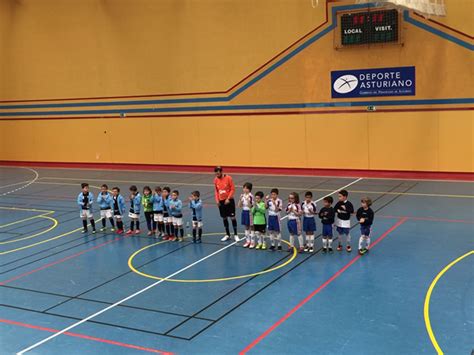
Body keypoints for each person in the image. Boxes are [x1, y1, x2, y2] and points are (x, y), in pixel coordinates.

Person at [213, 166, 238, 242]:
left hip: (229, 201)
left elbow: (233, 189)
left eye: (218, 172)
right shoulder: (215, 180)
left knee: (232, 217)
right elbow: (216, 191)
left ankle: (236, 235)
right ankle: (227, 234)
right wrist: (217, 200)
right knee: (224, 218)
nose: (217, 174)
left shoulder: (228, 178)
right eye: (216, 173)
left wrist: (228, 198)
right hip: (221, 202)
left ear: (221, 172)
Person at [239, 182, 254, 248]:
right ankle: (247, 241)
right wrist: (240, 199)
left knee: (251, 227)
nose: (244, 189)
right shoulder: (242, 196)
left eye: (246, 188)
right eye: (244, 188)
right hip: (244, 212)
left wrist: (247, 200)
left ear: (249, 189)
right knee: (246, 227)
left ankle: (252, 242)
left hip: (249, 212)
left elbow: (250, 206)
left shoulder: (251, 196)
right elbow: (239, 205)